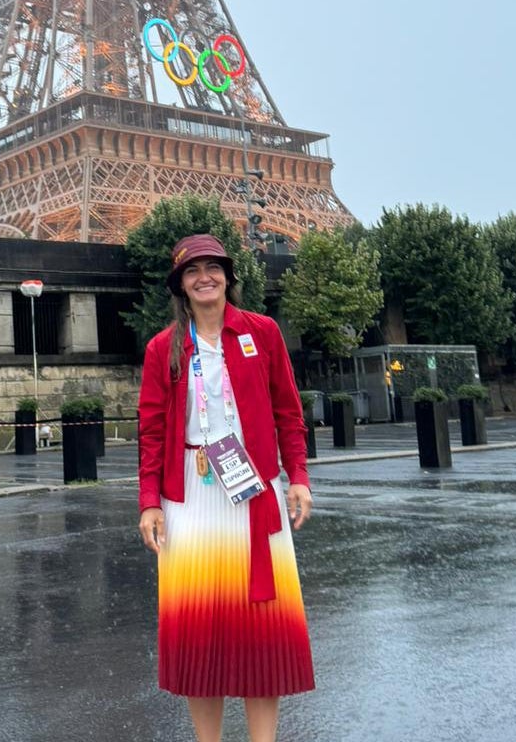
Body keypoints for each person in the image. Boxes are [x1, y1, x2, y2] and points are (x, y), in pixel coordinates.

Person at [137, 234, 315, 742]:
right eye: (193, 271)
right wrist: (149, 501)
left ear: (229, 276)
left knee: (261, 630)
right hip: (190, 496)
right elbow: (151, 431)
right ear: (181, 285)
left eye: (213, 267)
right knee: (200, 633)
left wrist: (297, 475)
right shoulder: (162, 349)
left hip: (255, 491)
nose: (204, 277)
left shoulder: (263, 331)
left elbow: (288, 412)